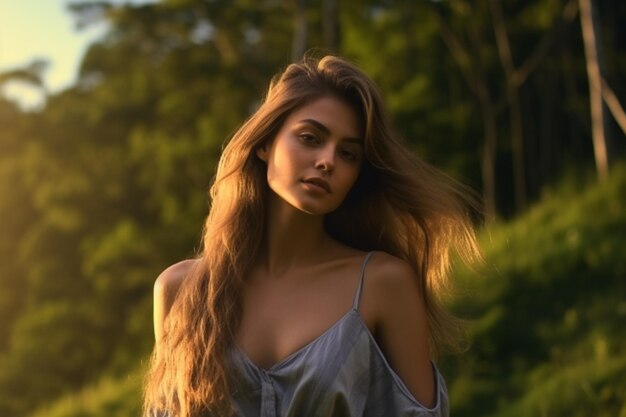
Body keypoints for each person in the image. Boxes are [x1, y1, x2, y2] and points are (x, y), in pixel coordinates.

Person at [143, 54, 480, 417]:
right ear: (265, 143)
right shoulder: (181, 290)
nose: (327, 160)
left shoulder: (381, 284)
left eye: (348, 154)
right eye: (310, 137)